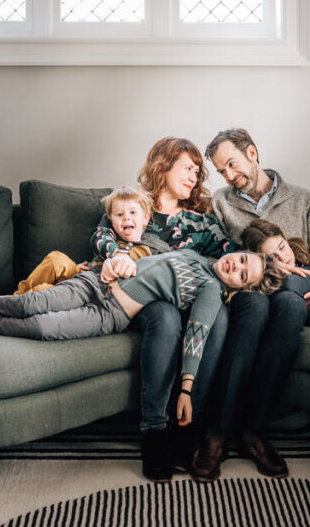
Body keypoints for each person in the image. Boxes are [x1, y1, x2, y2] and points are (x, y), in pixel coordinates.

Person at [0, 248, 285, 481]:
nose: (235, 267)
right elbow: (140, 254)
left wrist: (186, 389)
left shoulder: (210, 290)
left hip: (109, 313)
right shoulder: (192, 253)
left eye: (242, 275)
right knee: (32, 304)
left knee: (42, 327)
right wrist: (111, 259)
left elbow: (197, 335)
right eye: (240, 259)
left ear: (238, 289)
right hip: (95, 283)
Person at [192, 128, 310, 482]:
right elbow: (206, 250)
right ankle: (216, 434)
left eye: (232, 164)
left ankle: (254, 430)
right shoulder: (221, 203)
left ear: (252, 153)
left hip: (291, 292)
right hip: (245, 293)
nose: (229, 176)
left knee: (289, 306)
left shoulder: (305, 200)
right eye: (222, 171)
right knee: (255, 308)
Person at [88, 137, 238, 481]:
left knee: (219, 316)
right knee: (167, 317)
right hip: (143, 300)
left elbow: (231, 255)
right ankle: (154, 433)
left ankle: (188, 426)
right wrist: (117, 254)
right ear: (163, 166)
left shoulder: (199, 221)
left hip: (192, 300)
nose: (194, 176)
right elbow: (100, 234)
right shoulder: (134, 206)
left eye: (198, 171)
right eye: (188, 167)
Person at [13, 186, 167, 294]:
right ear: (111, 221)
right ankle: (18, 294)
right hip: (82, 273)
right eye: (119, 215)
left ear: (145, 219)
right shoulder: (110, 238)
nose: (126, 217)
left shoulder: (150, 247)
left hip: (90, 288)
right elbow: (98, 239)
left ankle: (21, 300)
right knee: (56, 259)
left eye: (133, 212)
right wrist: (78, 269)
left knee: (42, 290)